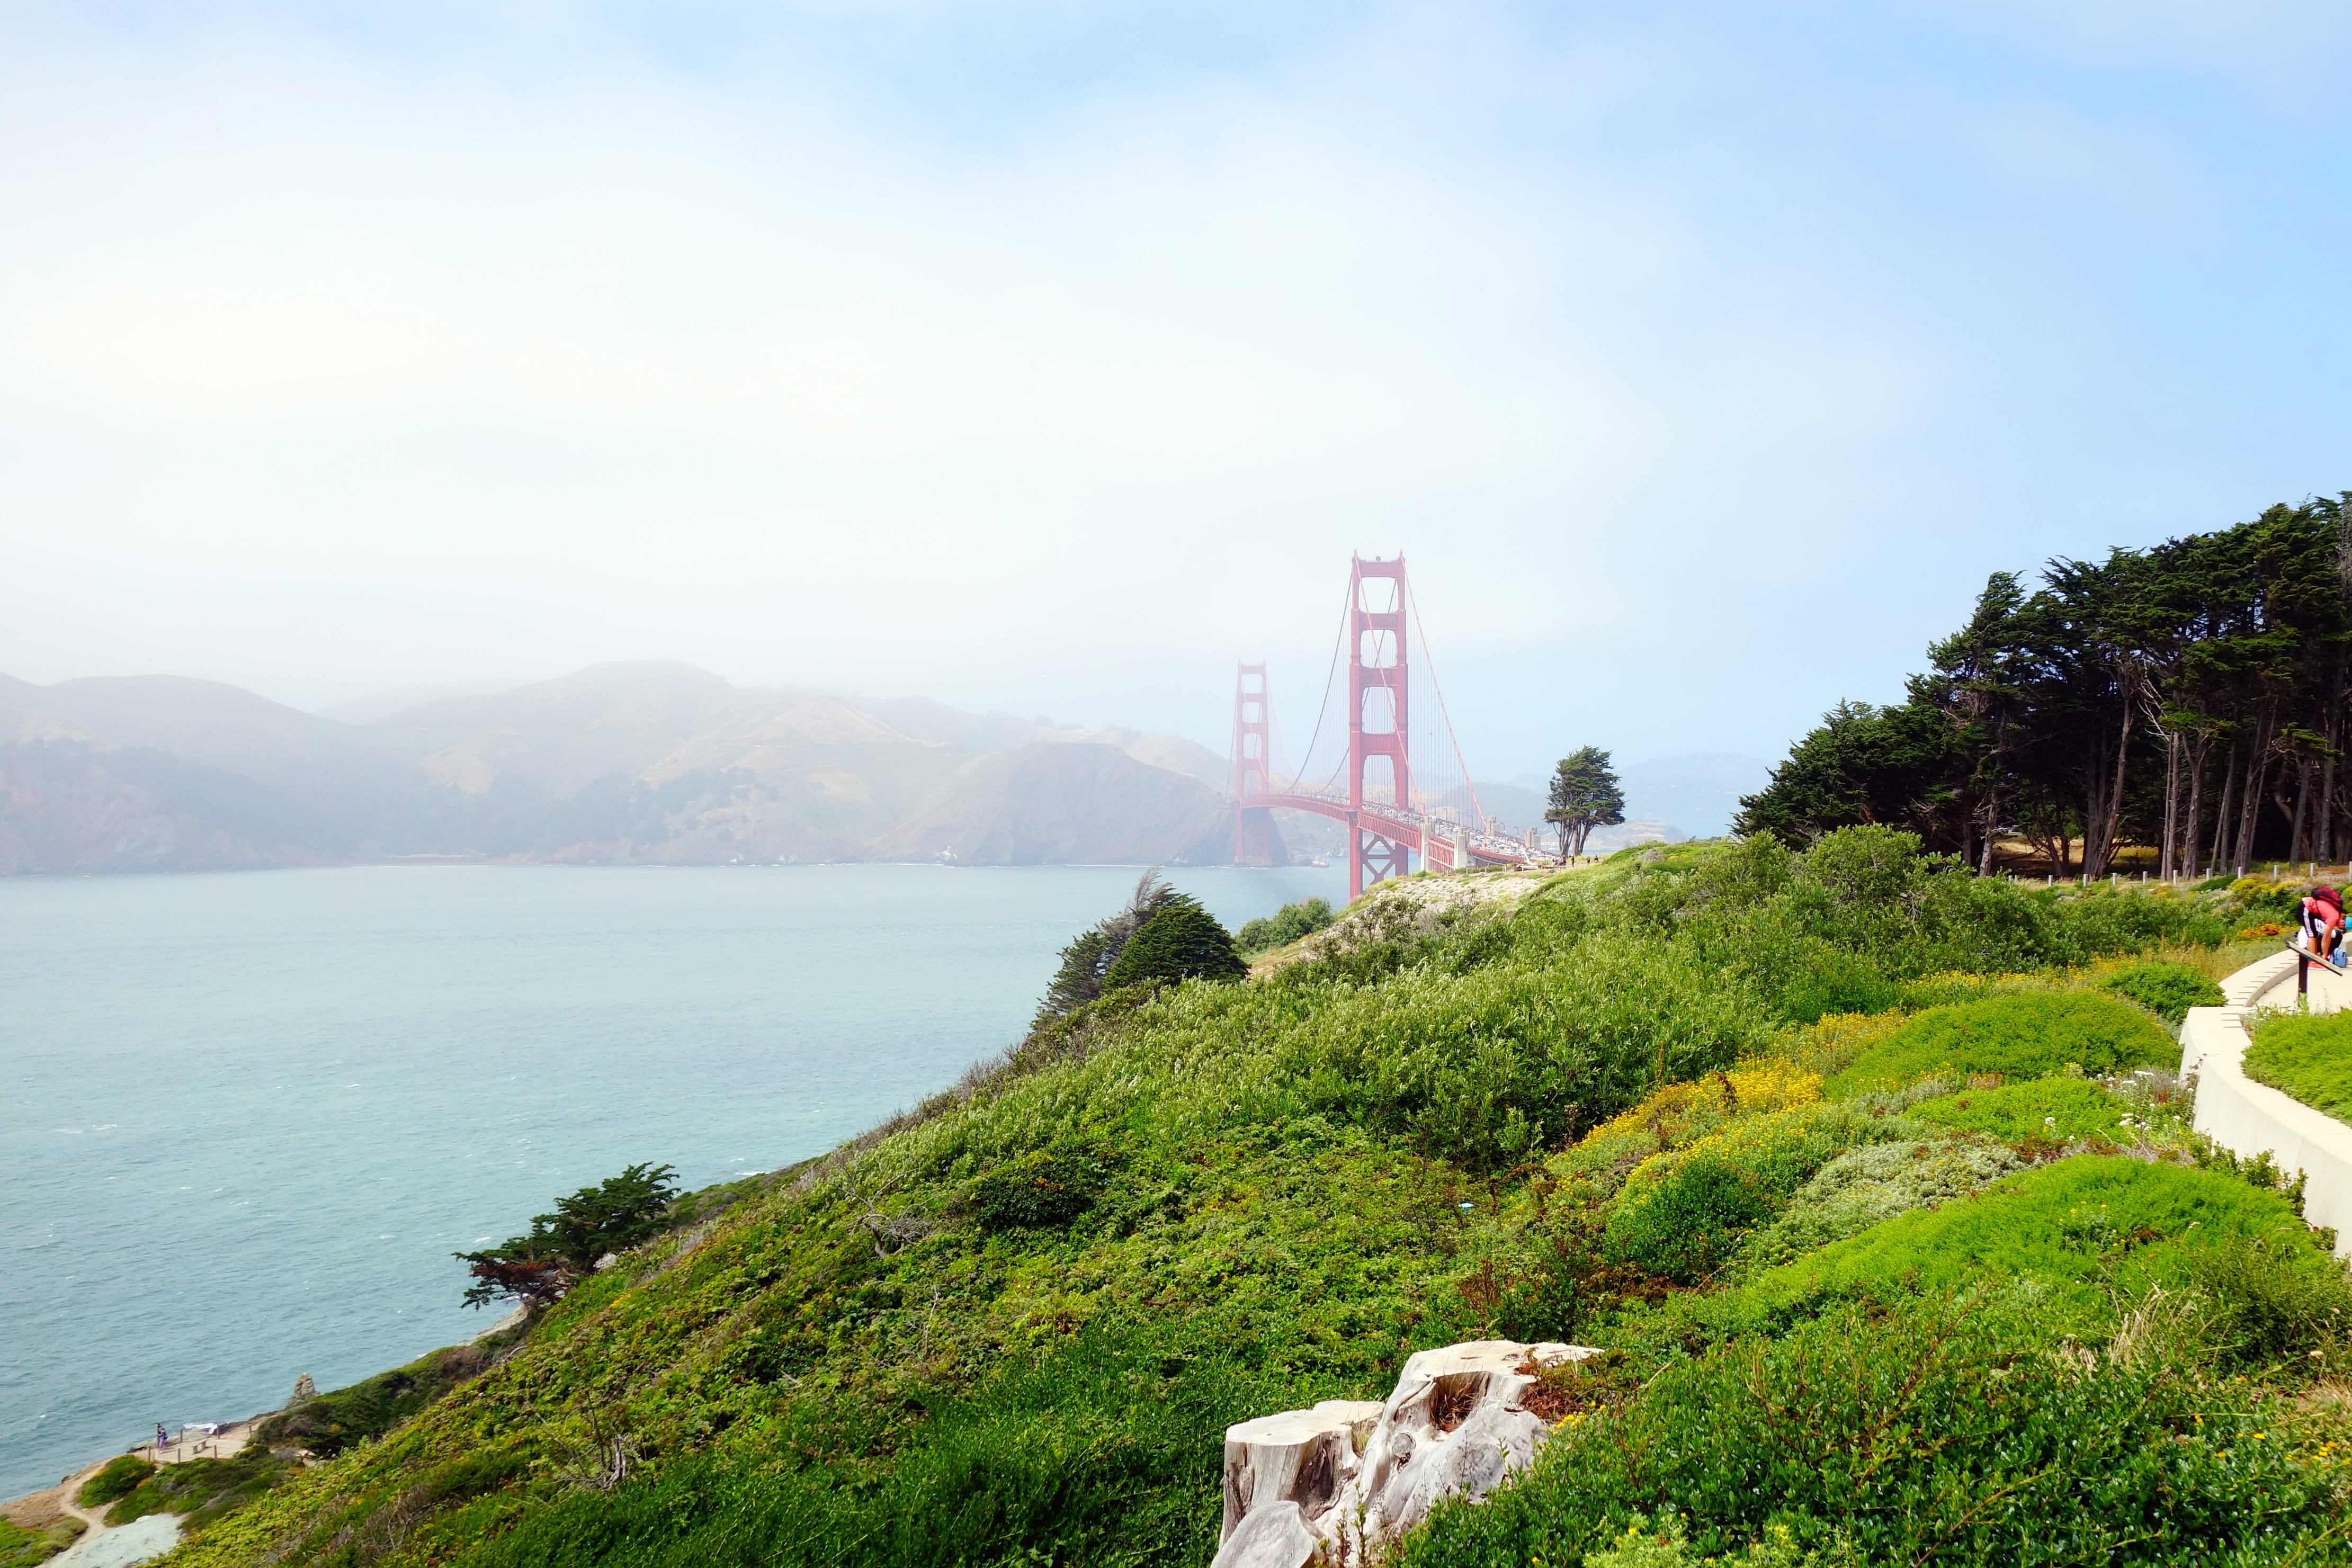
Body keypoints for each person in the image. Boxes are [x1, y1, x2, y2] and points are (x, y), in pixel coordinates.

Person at [2299, 885, 2346, 967]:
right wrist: (2325, 955)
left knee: (2314, 933)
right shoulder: (2333, 918)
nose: (2342, 925)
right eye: (2343, 924)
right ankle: (2313, 962)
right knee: (2311, 934)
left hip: (2314, 910)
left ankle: (2315, 956)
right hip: (2306, 906)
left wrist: (2325, 954)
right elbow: (2326, 938)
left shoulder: (2335, 914)